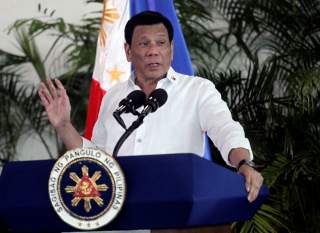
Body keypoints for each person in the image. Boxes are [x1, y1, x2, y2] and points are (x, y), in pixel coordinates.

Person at [39, 10, 263, 208]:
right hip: (120, 214)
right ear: (128, 51)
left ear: (172, 49)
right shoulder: (113, 98)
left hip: (176, 211)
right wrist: (63, 125)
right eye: (144, 44)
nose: (153, 51)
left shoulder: (197, 90)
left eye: (161, 43)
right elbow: (97, 159)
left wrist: (244, 163)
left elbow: (226, 130)